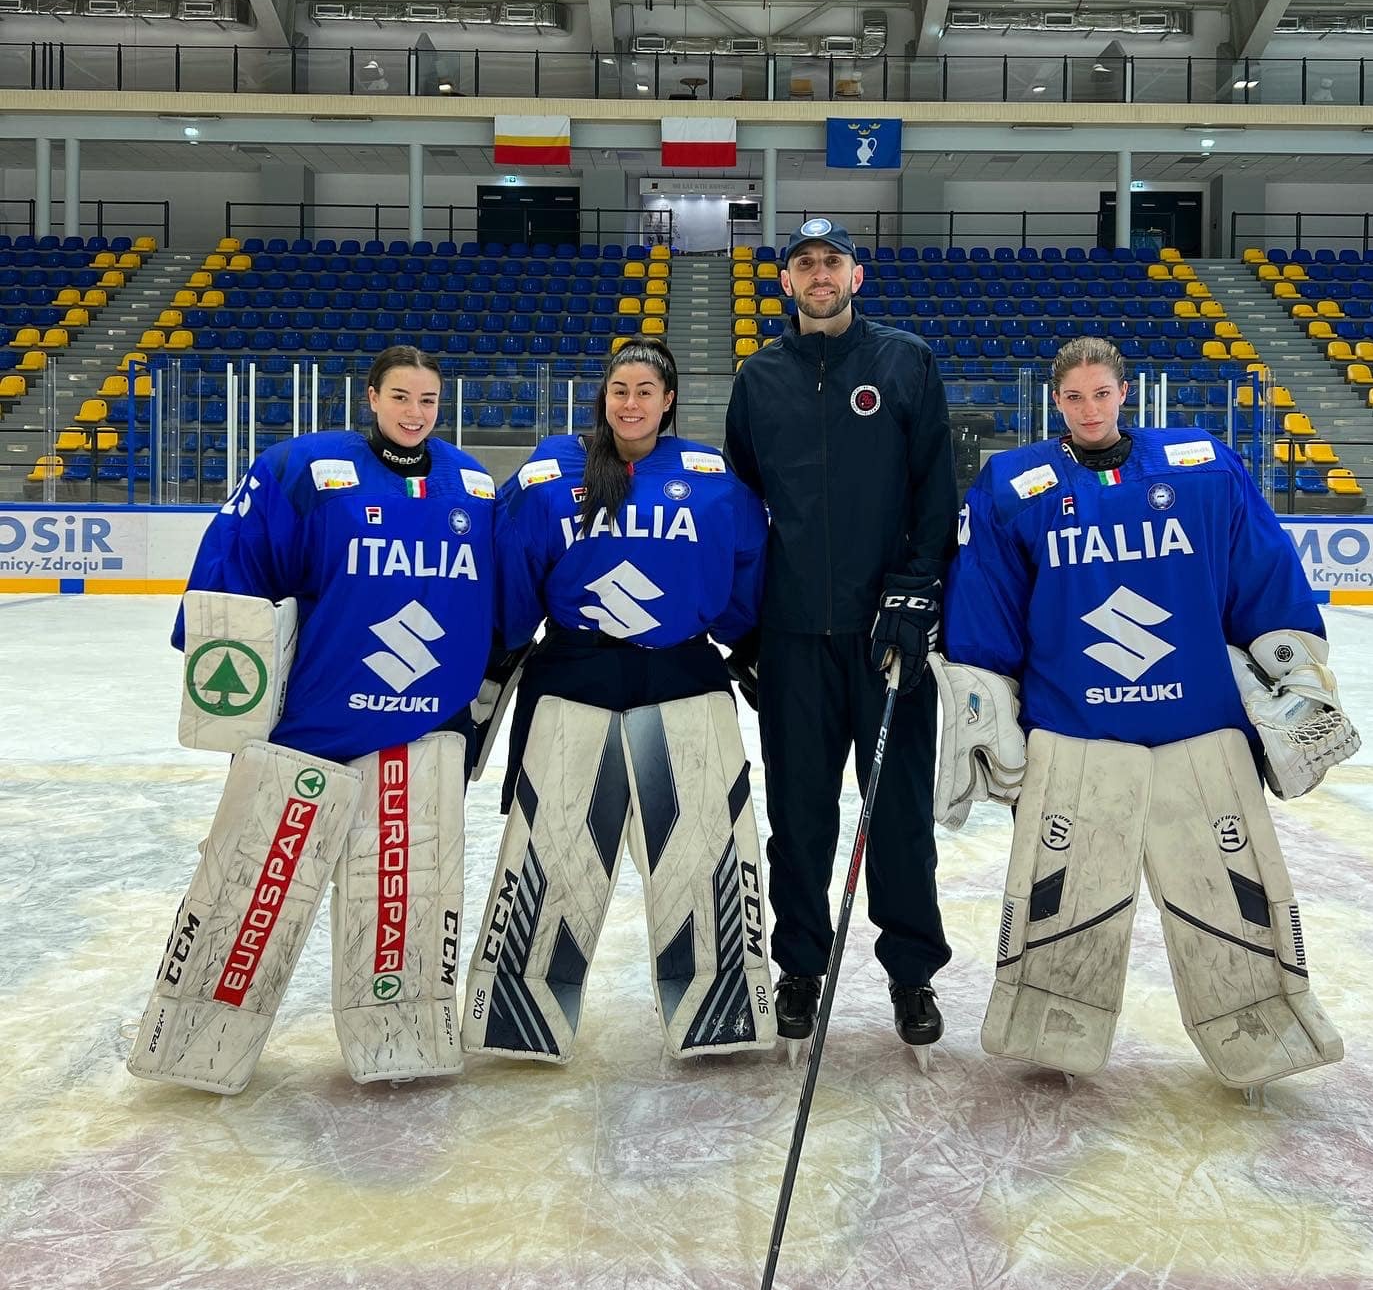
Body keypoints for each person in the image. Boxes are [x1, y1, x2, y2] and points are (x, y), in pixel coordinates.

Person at [931, 336, 1359, 1092]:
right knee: (1068, 900)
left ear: (1124, 393)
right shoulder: (1014, 485)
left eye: (1101, 393)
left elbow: (1260, 569)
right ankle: (1051, 1024)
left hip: (1201, 725)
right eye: (1074, 397)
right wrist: (982, 698)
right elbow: (987, 599)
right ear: (1054, 401)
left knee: (1232, 896)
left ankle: (1263, 1020)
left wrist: (1296, 669)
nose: (1089, 409)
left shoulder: (1202, 467)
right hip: (1075, 728)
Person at [128, 345, 498, 1094]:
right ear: (370, 397)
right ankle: (199, 1036)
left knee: (399, 900)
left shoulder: (472, 485)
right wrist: (230, 699)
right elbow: (237, 577)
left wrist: (478, 709)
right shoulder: (304, 470)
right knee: (254, 896)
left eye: (427, 400)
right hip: (307, 734)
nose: (414, 412)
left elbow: (501, 602)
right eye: (400, 396)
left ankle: (401, 1034)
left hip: (416, 735)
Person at [462, 336, 776, 1063]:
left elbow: (743, 576)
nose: (630, 402)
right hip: (575, 681)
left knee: (703, 852)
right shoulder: (549, 472)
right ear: (603, 397)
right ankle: (522, 1002)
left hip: (684, 682)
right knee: (554, 851)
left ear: (669, 400)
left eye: (645, 390)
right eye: (619, 389)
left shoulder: (713, 479)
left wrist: (749, 644)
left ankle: (719, 999)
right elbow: (513, 576)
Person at [723, 218, 958, 1062]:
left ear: (857, 276)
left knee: (898, 813)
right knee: (800, 814)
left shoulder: (904, 360)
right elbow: (741, 511)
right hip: (792, 639)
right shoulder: (759, 376)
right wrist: (746, 623)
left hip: (885, 633)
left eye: (833, 261)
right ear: (786, 282)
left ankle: (910, 974)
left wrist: (919, 585)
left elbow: (937, 483)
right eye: (804, 263)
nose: (819, 274)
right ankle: (799, 967)